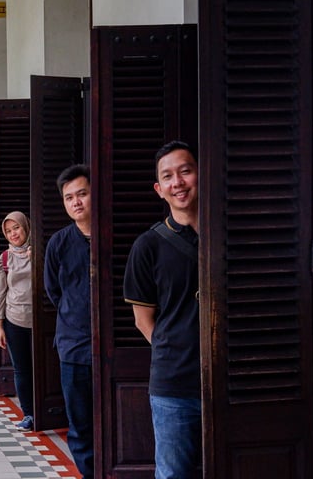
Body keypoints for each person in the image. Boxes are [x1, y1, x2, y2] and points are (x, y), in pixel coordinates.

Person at [123, 141, 200, 479]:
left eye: (185, 171)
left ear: (201, 173)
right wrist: (177, 354)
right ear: (159, 189)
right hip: (174, 386)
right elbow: (143, 321)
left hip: (232, 381)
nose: (178, 182)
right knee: (173, 474)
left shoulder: (228, 234)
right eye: (168, 176)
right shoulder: (148, 246)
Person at [43, 164, 94, 478]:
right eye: (69, 197)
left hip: (118, 347)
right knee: (80, 423)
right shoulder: (59, 243)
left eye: (82, 194)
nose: (76, 202)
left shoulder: (115, 236)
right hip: (73, 347)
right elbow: (54, 291)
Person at [0, 211, 34, 431]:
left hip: (43, 321)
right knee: (22, 369)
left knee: (46, 367)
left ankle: (50, 410)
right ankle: (29, 413)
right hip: (15, 319)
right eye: (8, 231)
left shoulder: (42, 251)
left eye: (16, 228)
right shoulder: (5, 258)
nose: (13, 234)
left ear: (26, 227)